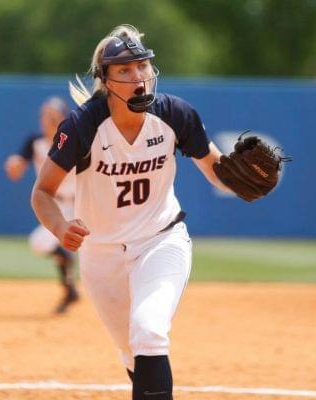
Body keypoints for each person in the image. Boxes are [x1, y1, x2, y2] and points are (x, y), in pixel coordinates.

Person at [31, 25, 236, 399]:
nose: (137, 77)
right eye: (124, 70)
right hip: (102, 253)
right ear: (105, 80)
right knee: (131, 350)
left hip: (161, 240)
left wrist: (242, 177)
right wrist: (60, 227)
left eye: (142, 66)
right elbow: (42, 192)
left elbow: (218, 173)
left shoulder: (175, 113)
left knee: (149, 330)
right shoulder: (82, 125)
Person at [4, 96, 79, 314]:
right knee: (39, 243)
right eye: (44, 116)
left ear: (64, 119)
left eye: (53, 117)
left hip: (83, 204)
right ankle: (70, 286)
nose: (47, 121)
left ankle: (72, 287)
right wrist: (15, 164)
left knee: (108, 250)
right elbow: (18, 165)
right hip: (57, 207)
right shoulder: (35, 142)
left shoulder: (75, 139)